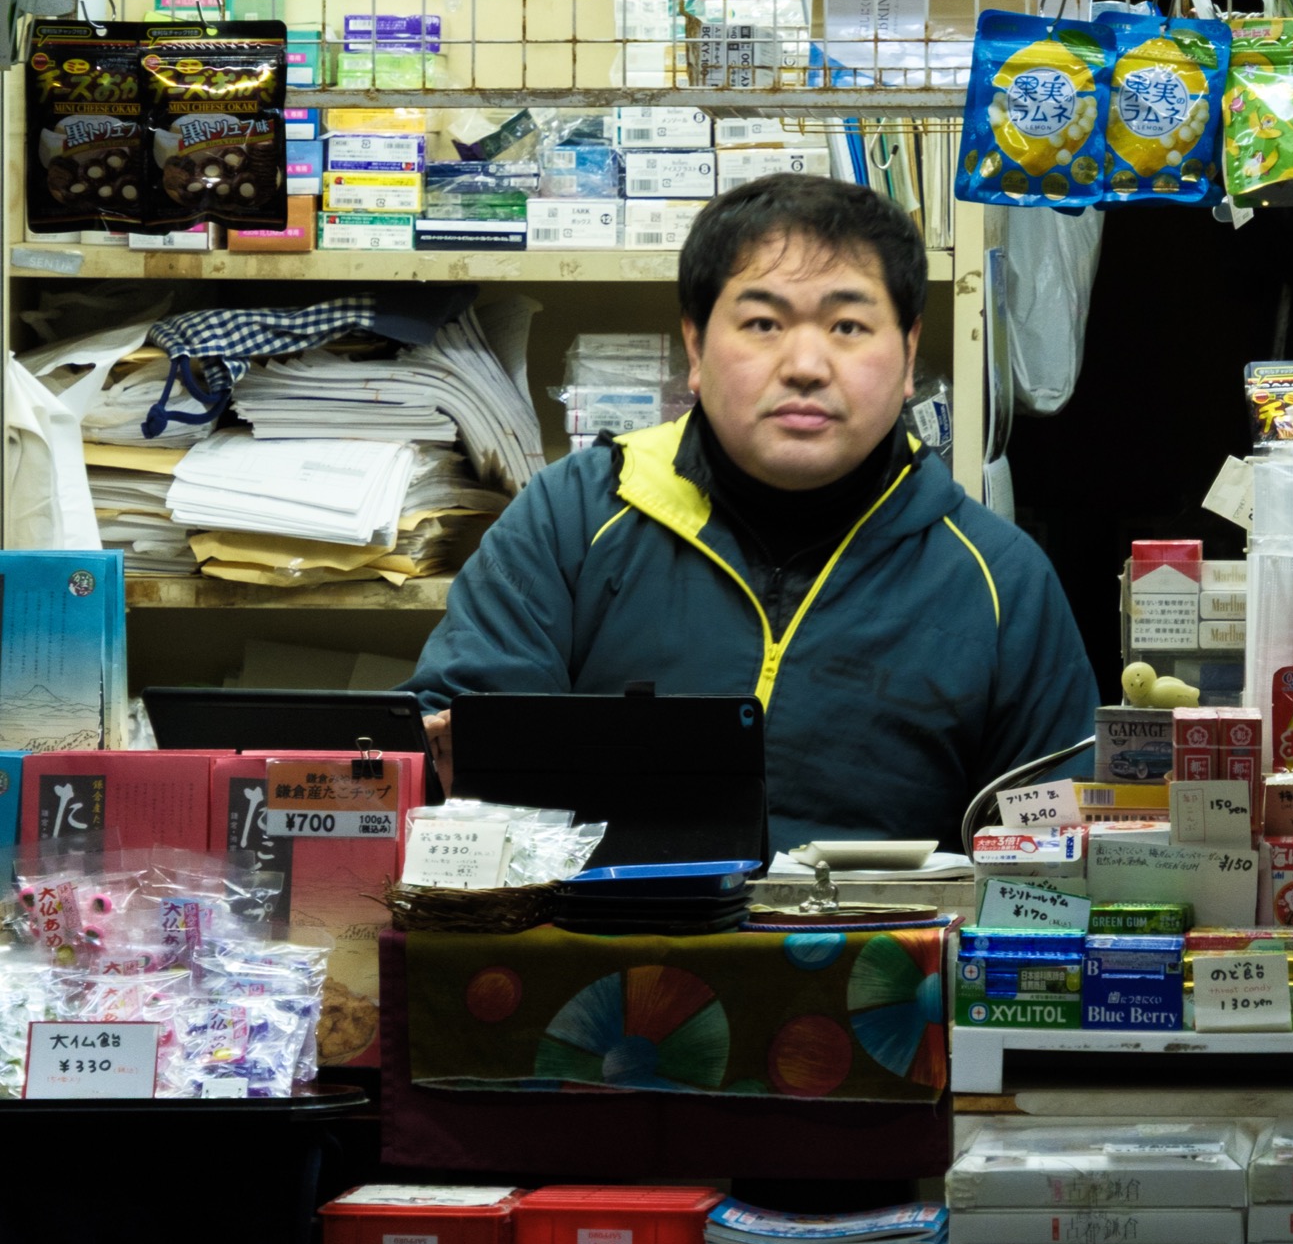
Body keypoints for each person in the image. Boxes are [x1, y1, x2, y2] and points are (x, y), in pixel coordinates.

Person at [408, 175, 1097, 850]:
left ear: (910, 354)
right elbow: (447, 752)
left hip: (879, 960)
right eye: (763, 323)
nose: (805, 364)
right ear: (696, 347)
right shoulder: (574, 520)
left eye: (848, 325)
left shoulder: (999, 582)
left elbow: (1051, 856)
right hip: (589, 949)